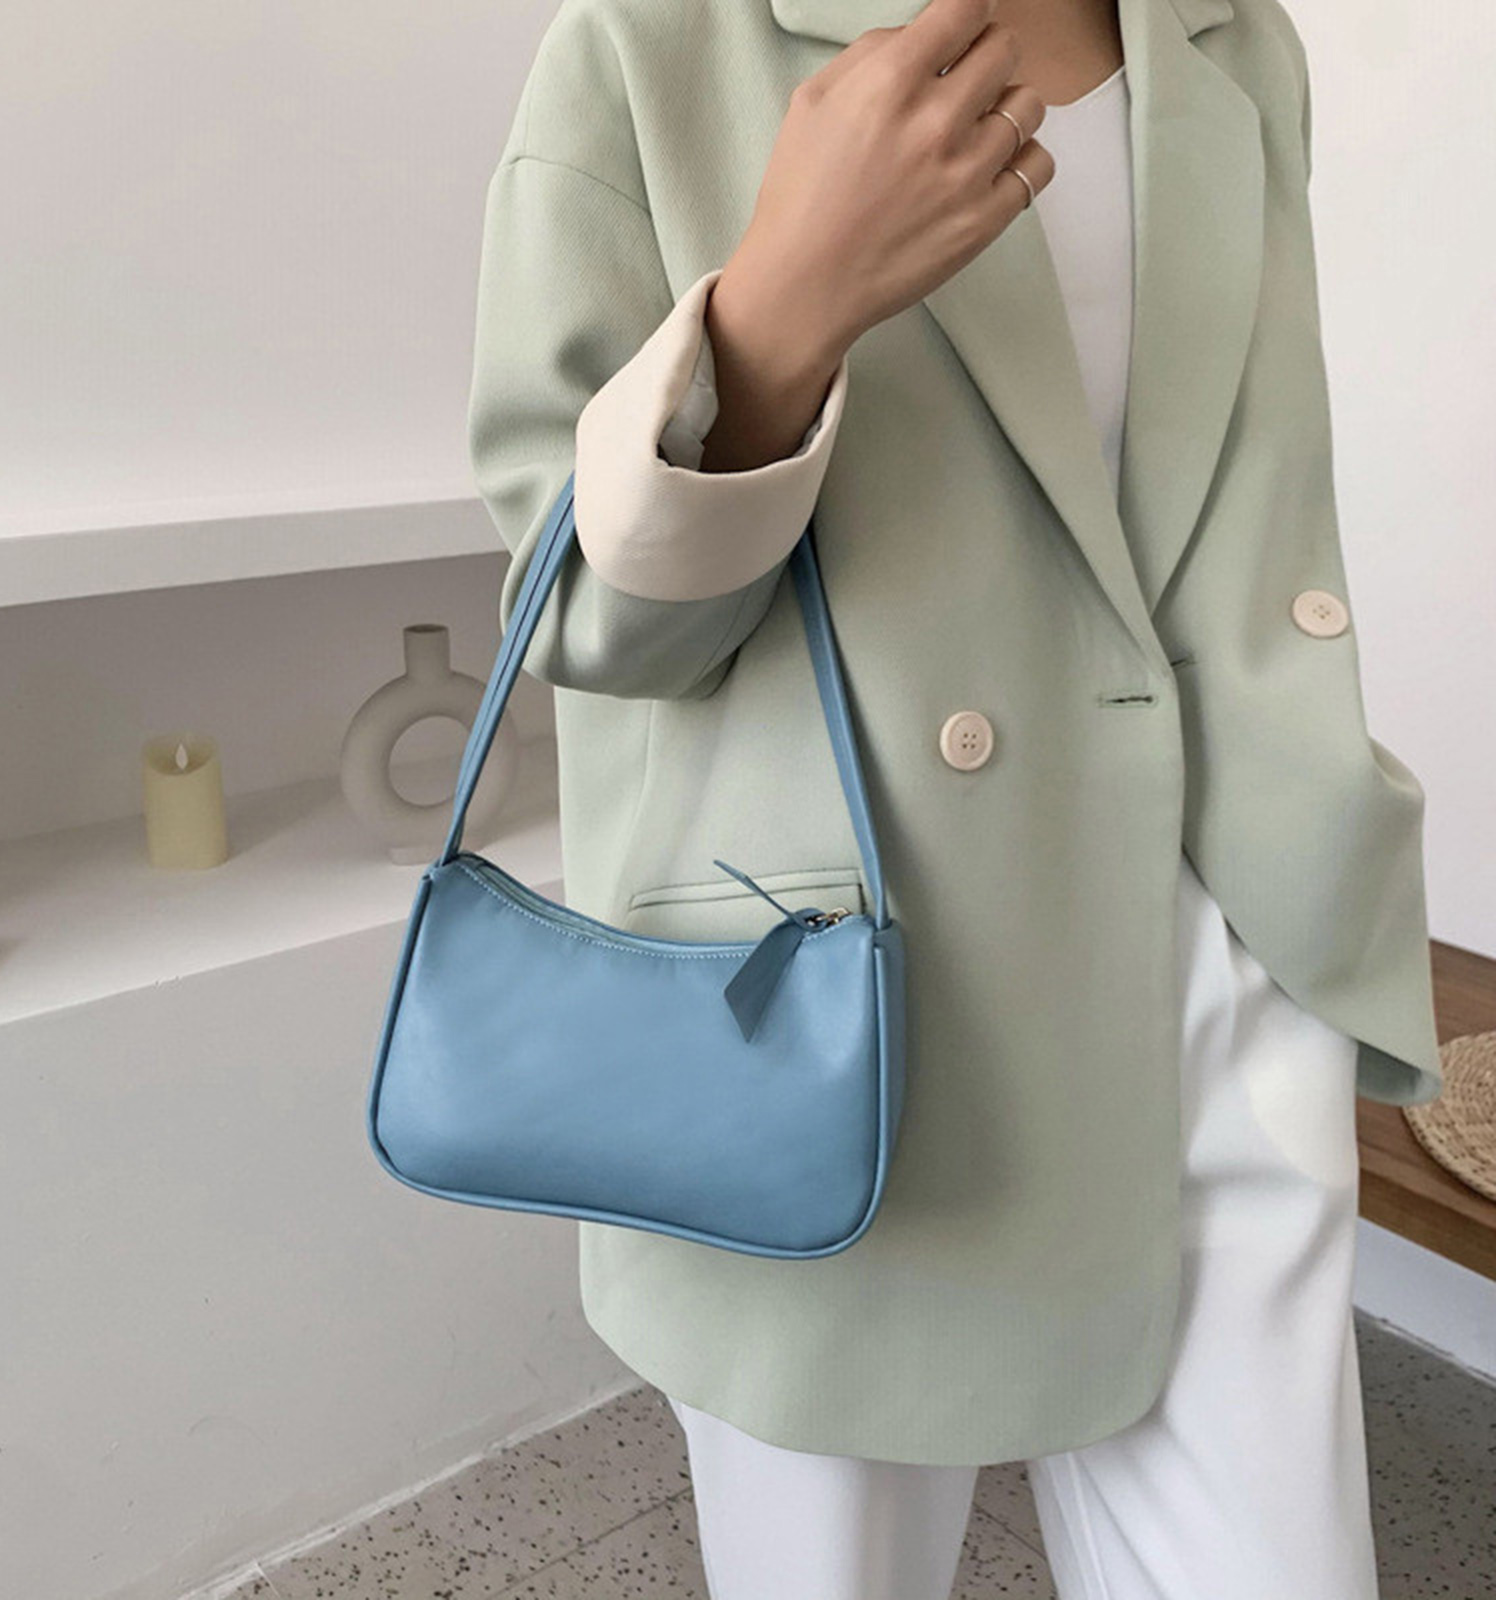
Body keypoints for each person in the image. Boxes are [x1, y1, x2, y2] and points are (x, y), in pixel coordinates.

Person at [465, 0, 1444, 1594]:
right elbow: (580, 619)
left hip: (1217, 973)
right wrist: (777, 320)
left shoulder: (1232, 42)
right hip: (845, 996)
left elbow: (1228, 508)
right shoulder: (658, 39)